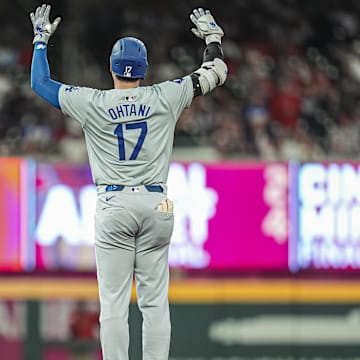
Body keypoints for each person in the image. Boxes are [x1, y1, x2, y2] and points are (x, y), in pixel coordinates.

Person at [29, 4, 227, 359]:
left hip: (114, 203)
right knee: (154, 303)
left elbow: (39, 84)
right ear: (145, 69)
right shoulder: (168, 94)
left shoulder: (93, 102)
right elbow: (216, 70)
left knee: (114, 303)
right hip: (157, 202)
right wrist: (212, 37)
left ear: (111, 67)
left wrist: (41, 41)